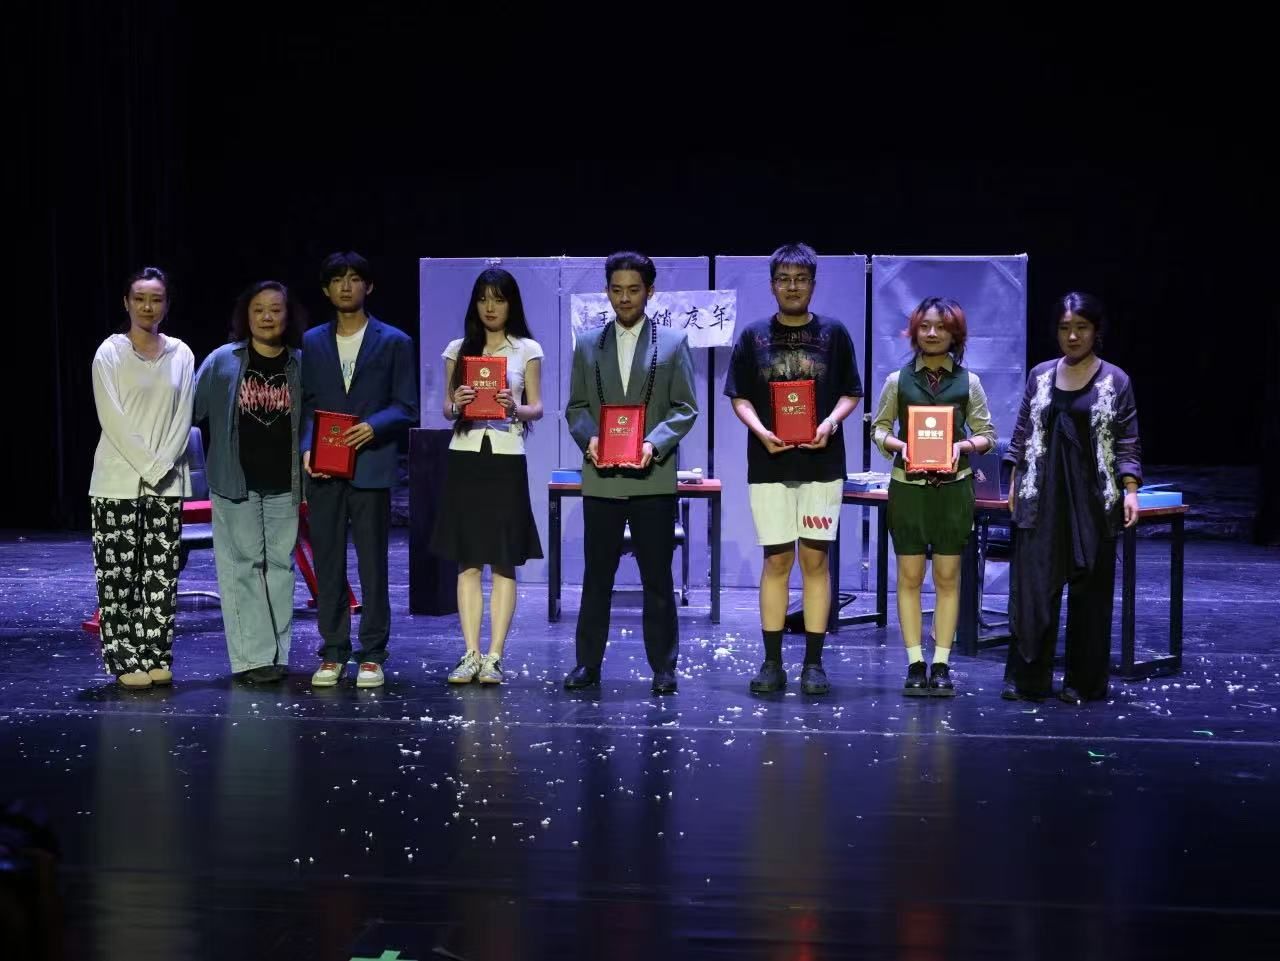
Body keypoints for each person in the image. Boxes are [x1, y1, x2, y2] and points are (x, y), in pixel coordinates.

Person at [723, 243, 862, 695]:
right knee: (777, 560)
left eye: (800, 279)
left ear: (813, 284)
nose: (792, 287)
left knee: (815, 561)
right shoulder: (753, 336)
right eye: (784, 279)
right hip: (769, 463)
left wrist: (830, 423)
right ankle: (771, 662)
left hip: (823, 464)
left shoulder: (834, 333)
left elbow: (851, 392)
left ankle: (814, 664)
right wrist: (761, 430)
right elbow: (740, 396)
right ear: (772, 285)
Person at [563, 251, 698, 695]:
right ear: (607, 291)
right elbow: (576, 407)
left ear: (650, 292)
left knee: (657, 578)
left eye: (634, 290)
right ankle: (587, 664)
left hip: (652, 477)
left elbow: (685, 408)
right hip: (601, 477)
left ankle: (664, 667)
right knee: (596, 577)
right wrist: (590, 439)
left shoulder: (673, 342)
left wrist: (652, 444)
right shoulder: (587, 344)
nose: (624, 298)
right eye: (617, 290)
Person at [1003, 292, 1142, 704]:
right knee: (1033, 590)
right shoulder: (1041, 375)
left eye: (1081, 327)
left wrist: (1130, 490)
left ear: (1096, 331)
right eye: (1065, 328)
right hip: (1042, 496)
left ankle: (1083, 682)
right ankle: (1028, 680)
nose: (1073, 336)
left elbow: (1127, 440)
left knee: (1090, 594)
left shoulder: (1115, 380)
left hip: (1093, 499)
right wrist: (1013, 480)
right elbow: (1022, 432)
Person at [301, 251, 418, 689]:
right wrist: (306, 447)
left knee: (373, 564)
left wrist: (374, 426)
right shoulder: (312, 341)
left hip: (370, 464)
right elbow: (307, 405)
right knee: (328, 562)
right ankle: (333, 650)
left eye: (354, 279)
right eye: (337, 279)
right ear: (326, 289)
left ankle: (372, 653)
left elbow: (406, 406)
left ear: (368, 286)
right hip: (325, 468)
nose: (346, 286)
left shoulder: (394, 341)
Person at [870, 296, 997, 697]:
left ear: (954, 334)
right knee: (909, 577)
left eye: (941, 327)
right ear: (914, 331)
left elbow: (988, 435)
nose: (931, 333)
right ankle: (914, 663)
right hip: (908, 490)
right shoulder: (898, 380)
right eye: (925, 325)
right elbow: (878, 429)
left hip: (953, 490)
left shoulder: (969, 382)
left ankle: (941, 663)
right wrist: (901, 446)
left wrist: (962, 446)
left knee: (946, 577)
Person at [432, 268, 544, 685]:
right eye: (483, 299)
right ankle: (470, 653)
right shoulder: (457, 349)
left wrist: (514, 407)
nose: (490, 307)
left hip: (505, 457)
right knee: (468, 560)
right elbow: (446, 410)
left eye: (498, 299)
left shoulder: (527, 349)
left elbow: (537, 408)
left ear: (511, 303)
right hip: (465, 457)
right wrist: (458, 402)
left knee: (503, 558)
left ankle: (495, 655)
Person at [194, 280, 306, 684]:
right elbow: (191, 410)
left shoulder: (301, 363)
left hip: (285, 484)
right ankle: (252, 658)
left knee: (280, 567)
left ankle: (276, 654)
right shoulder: (223, 360)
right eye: (258, 309)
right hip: (234, 482)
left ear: (288, 316)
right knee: (242, 566)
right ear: (246, 315)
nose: (267, 317)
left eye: (275, 309)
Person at [89, 266, 194, 688]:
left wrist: (163, 467)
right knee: (119, 579)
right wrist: (149, 467)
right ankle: (124, 658)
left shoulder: (181, 353)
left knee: (160, 576)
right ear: (126, 303)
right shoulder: (109, 353)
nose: (148, 306)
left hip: (167, 483)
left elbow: (183, 416)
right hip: (116, 481)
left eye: (156, 299)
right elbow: (112, 418)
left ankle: (155, 654)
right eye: (140, 298)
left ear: (166, 304)